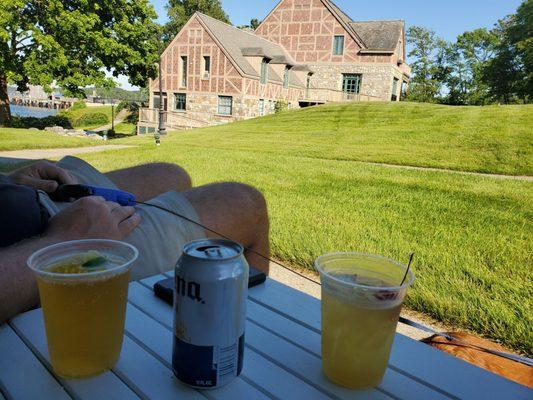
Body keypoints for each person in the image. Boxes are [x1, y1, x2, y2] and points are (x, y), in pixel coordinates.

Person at [0, 157, 269, 323]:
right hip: (33, 248)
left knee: (171, 174)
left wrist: (10, 183)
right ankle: (244, 337)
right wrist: (63, 242)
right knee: (246, 203)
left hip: (25, 200)